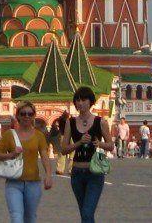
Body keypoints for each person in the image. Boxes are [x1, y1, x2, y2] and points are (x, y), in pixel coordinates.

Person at [0, 101, 53, 223]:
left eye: (30, 114)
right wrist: (11, 155)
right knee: (17, 218)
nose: (27, 116)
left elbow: (45, 156)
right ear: (18, 116)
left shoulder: (38, 135)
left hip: (33, 183)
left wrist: (48, 175)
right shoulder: (9, 135)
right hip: (14, 183)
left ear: (34, 116)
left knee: (30, 218)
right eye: (23, 113)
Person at [61, 86, 114, 223]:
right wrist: (79, 143)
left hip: (94, 172)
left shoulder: (100, 122)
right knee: (84, 213)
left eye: (84, 99)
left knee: (87, 212)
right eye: (77, 100)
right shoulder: (70, 122)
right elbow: (64, 149)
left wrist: (98, 143)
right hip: (77, 172)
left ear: (91, 102)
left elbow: (110, 145)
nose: (80, 103)